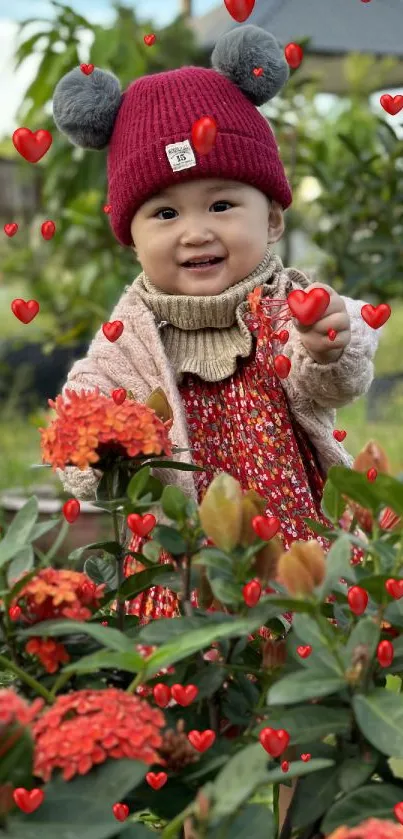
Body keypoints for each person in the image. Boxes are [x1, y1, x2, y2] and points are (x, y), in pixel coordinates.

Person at [52, 23, 380, 830]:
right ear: (129, 234)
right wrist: (101, 447)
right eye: (164, 211)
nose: (195, 230)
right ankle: (210, 811)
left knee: (303, 710)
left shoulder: (285, 305)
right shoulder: (127, 337)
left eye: (222, 203)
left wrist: (327, 341)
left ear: (273, 219)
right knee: (202, 715)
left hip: (293, 548)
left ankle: (309, 811)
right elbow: (80, 426)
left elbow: (330, 377)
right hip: (184, 565)